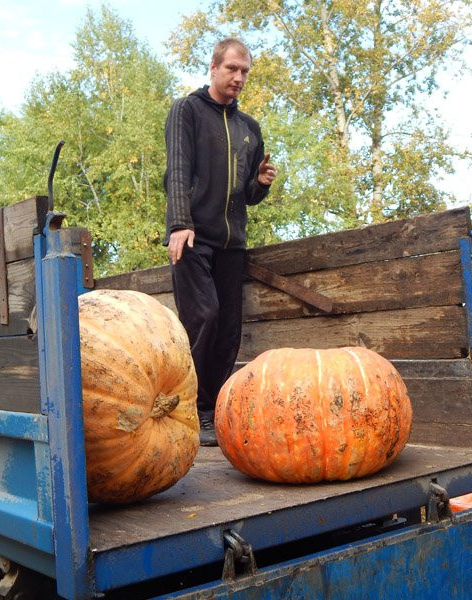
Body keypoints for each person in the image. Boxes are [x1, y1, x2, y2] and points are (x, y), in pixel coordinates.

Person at [163, 38, 277, 446]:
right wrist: (179, 222)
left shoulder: (250, 129)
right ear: (213, 67)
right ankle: (185, 406)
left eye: (245, 71)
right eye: (232, 68)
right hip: (192, 236)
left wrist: (260, 184)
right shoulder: (187, 110)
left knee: (229, 329)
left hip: (233, 243)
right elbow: (178, 168)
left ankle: (210, 412)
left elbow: (248, 195)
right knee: (204, 316)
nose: (239, 77)